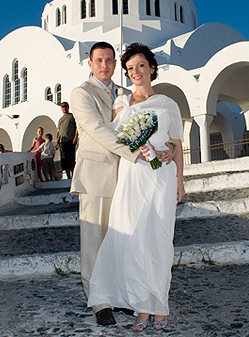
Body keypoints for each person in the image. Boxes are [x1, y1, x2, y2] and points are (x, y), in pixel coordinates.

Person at [70, 41, 174, 327]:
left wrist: (169, 151)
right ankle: (99, 301)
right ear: (90, 64)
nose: (105, 65)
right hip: (96, 175)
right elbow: (96, 128)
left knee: (125, 240)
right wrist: (134, 150)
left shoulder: (126, 95)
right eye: (99, 60)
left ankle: (122, 294)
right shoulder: (81, 93)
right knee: (95, 239)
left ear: (116, 64)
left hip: (129, 178)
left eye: (109, 60)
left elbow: (154, 128)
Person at [56, 102, 78, 179]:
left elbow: (76, 127)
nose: (64, 109)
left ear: (68, 107)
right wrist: (57, 141)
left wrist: (75, 137)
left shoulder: (72, 117)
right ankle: (68, 175)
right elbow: (59, 130)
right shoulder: (60, 119)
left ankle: (73, 175)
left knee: (71, 157)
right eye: (62, 107)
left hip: (70, 140)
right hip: (62, 141)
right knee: (64, 159)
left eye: (65, 107)